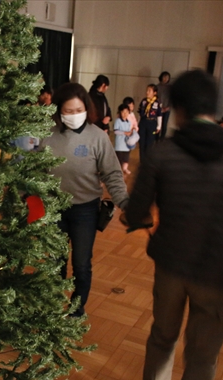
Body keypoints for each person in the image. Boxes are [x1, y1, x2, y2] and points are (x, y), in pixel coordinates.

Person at [123, 69, 223, 380]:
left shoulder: (163, 153)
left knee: (162, 337)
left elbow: (136, 210)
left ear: (180, 109)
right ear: (213, 107)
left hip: (172, 265)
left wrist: (135, 217)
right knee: (203, 356)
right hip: (221, 273)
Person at [39, 83, 129, 317]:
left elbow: (112, 174)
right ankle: (52, 306)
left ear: (87, 109)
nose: (73, 115)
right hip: (54, 208)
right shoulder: (48, 135)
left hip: (85, 211)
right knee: (56, 262)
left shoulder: (97, 137)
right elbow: (34, 170)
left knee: (80, 263)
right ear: (59, 111)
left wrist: (125, 203)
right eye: (68, 111)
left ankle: (77, 309)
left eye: (78, 110)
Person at [137, 84, 162, 163]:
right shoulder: (144, 101)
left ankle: (147, 162)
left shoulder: (157, 102)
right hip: (143, 122)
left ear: (154, 92)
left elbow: (159, 115)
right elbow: (139, 112)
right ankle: (142, 161)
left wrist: (159, 126)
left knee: (149, 143)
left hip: (152, 123)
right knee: (142, 143)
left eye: (149, 91)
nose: (147, 92)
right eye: (147, 90)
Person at [114, 103, 133, 175]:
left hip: (126, 145)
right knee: (119, 159)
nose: (125, 114)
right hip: (119, 145)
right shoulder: (118, 121)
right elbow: (116, 131)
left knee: (126, 159)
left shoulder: (129, 122)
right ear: (120, 112)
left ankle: (125, 169)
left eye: (126, 112)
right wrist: (125, 133)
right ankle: (117, 170)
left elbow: (129, 131)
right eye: (123, 112)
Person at [157, 71, 171, 141]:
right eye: (164, 77)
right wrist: (159, 107)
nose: (165, 78)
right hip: (159, 108)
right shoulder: (157, 86)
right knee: (158, 123)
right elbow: (155, 98)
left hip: (167, 108)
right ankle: (156, 137)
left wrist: (167, 107)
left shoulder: (170, 87)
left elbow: (172, 98)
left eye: (167, 77)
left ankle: (162, 138)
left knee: (164, 124)